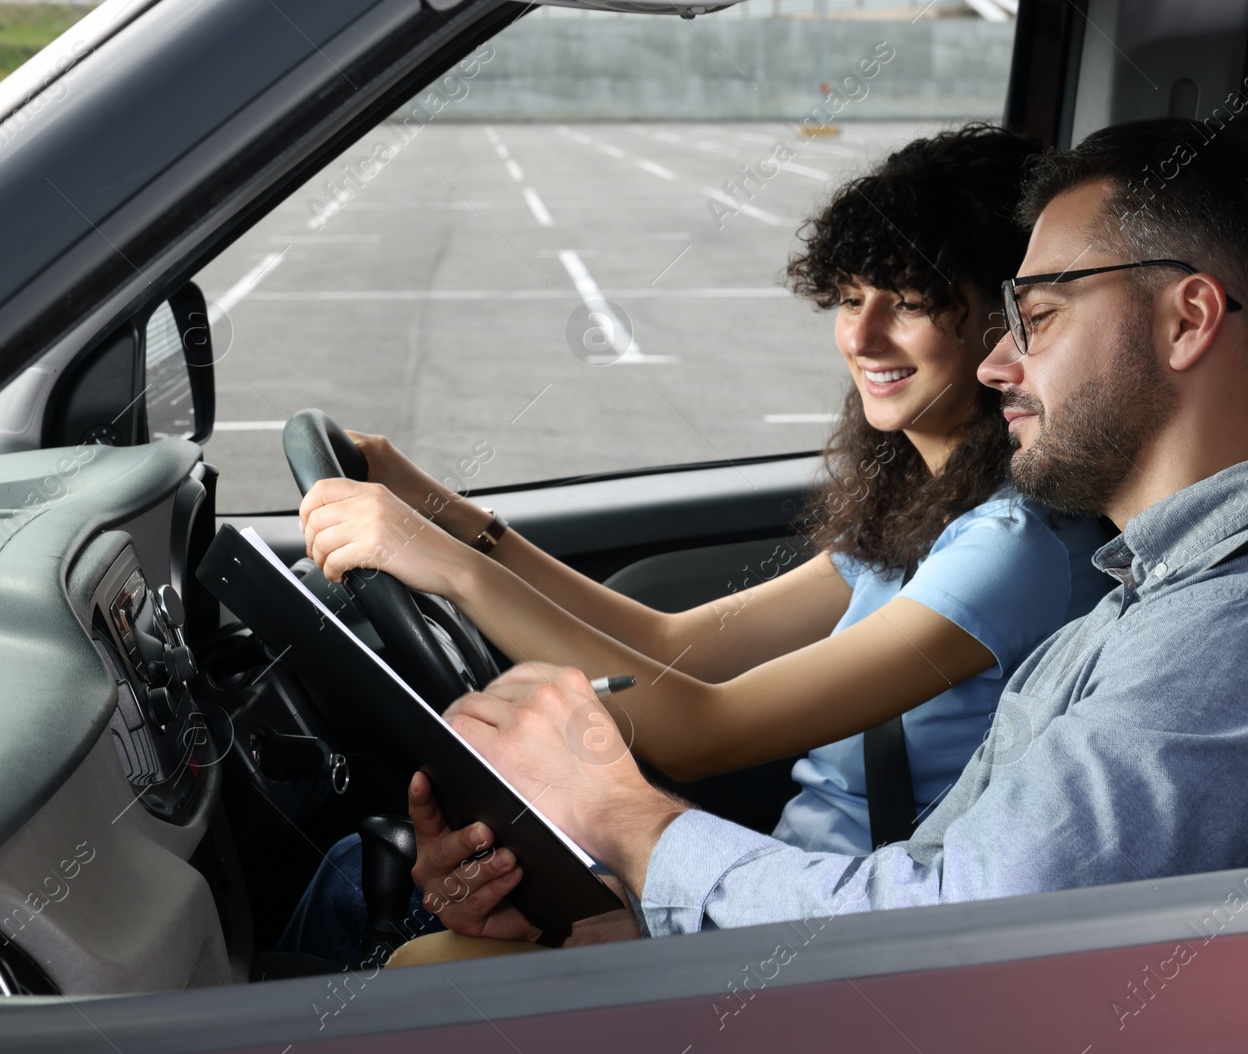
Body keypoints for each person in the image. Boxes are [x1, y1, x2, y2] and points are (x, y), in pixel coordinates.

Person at [396, 115, 1248, 954]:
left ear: (1188, 317)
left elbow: (956, 935)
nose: (1000, 364)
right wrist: (643, 912)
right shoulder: (1153, 595)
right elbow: (934, 878)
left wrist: (627, 823)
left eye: (1039, 317)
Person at [278, 125, 1112, 966]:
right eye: (852, 298)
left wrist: (450, 567)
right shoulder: (927, 513)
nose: (863, 338)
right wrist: (442, 511)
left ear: (1007, 320)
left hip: (839, 939)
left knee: (412, 947)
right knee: (366, 870)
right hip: (774, 888)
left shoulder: (1017, 546)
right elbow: (676, 647)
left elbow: (701, 728)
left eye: (911, 299)